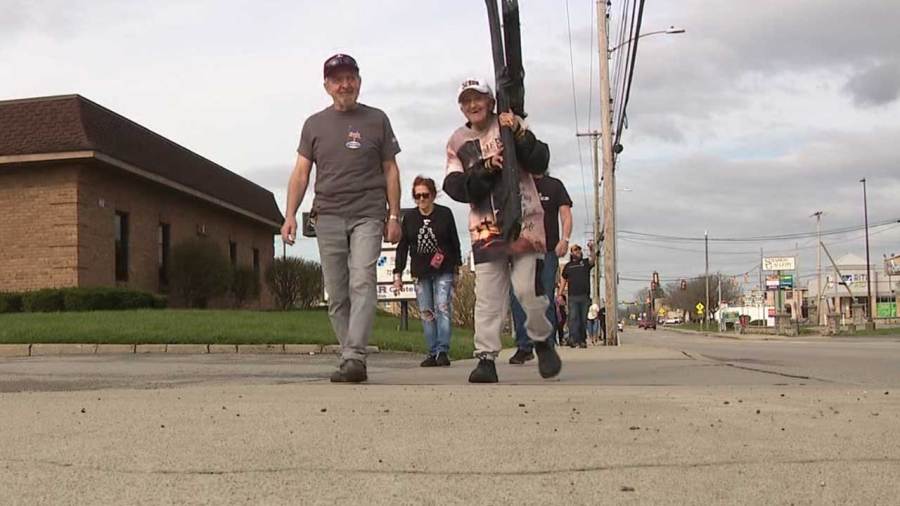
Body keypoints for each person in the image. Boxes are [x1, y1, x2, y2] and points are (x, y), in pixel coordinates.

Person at [281, 54, 402, 383]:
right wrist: (289, 215)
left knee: (362, 279)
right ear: (327, 86)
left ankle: (353, 357)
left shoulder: (378, 120)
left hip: (368, 213)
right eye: (337, 79)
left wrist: (394, 215)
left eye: (350, 77)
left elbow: (390, 169)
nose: (345, 84)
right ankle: (351, 355)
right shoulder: (314, 124)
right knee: (337, 293)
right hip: (328, 215)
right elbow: (301, 172)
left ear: (359, 82)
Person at [442, 77, 561, 383]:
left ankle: (542, 339)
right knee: (488, 296)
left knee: (526, 289)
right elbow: (454, 186)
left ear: (491, 101)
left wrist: (520, 135)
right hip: (486, 229)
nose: (473, 105)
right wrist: (484, 168)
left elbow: (540, 160)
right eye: (466, 100)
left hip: (525, 221)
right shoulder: (457, 142)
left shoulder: (510, 124)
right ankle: (485, 358)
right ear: (461, 107)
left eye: (478, 98)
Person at [393, 176, 462, 367]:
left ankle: (443, 351)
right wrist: (397, 273)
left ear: (433, 195)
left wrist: (457, 266)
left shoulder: (445, 214)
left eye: (425, 195)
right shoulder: (411, 218)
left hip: (444, 268)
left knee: (442, 307)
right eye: (417, 196)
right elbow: (403, 246)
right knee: (426, 312)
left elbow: (454, 241)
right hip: (420, 271)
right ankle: (432, 351)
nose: (421, 200)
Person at [507, 171, 573, 364]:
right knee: (517, 296)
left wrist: (565, 240)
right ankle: (524, 346)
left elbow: (566, 215)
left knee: (544, 296)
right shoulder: (517, 186)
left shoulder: (554, 185)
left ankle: (547, 347)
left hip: (547, 249)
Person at [559, 242, 595, 348]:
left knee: (583, 319)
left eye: (579, 249)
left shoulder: (585, 263)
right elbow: (563, 280)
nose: (578, 251)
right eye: (575, 250)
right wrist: (560, 294)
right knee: (573, 318)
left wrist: (592, 249)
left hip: (584, 296)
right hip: (573, 297)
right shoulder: (568, 266)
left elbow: (593, 260)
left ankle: (582, 340)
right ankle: (573, 339)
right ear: (571, 253)